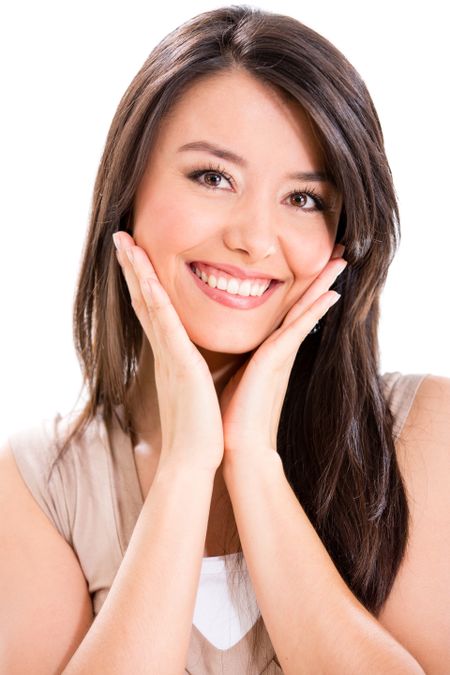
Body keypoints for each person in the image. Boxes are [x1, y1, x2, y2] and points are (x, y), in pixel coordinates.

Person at [1, 5, 448, 673]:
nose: (254, 238)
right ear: (129, 193)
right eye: (213, 177)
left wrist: (253, 464)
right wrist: (187, 465)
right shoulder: (44, 484)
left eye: (304, 199)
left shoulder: (420, 433)